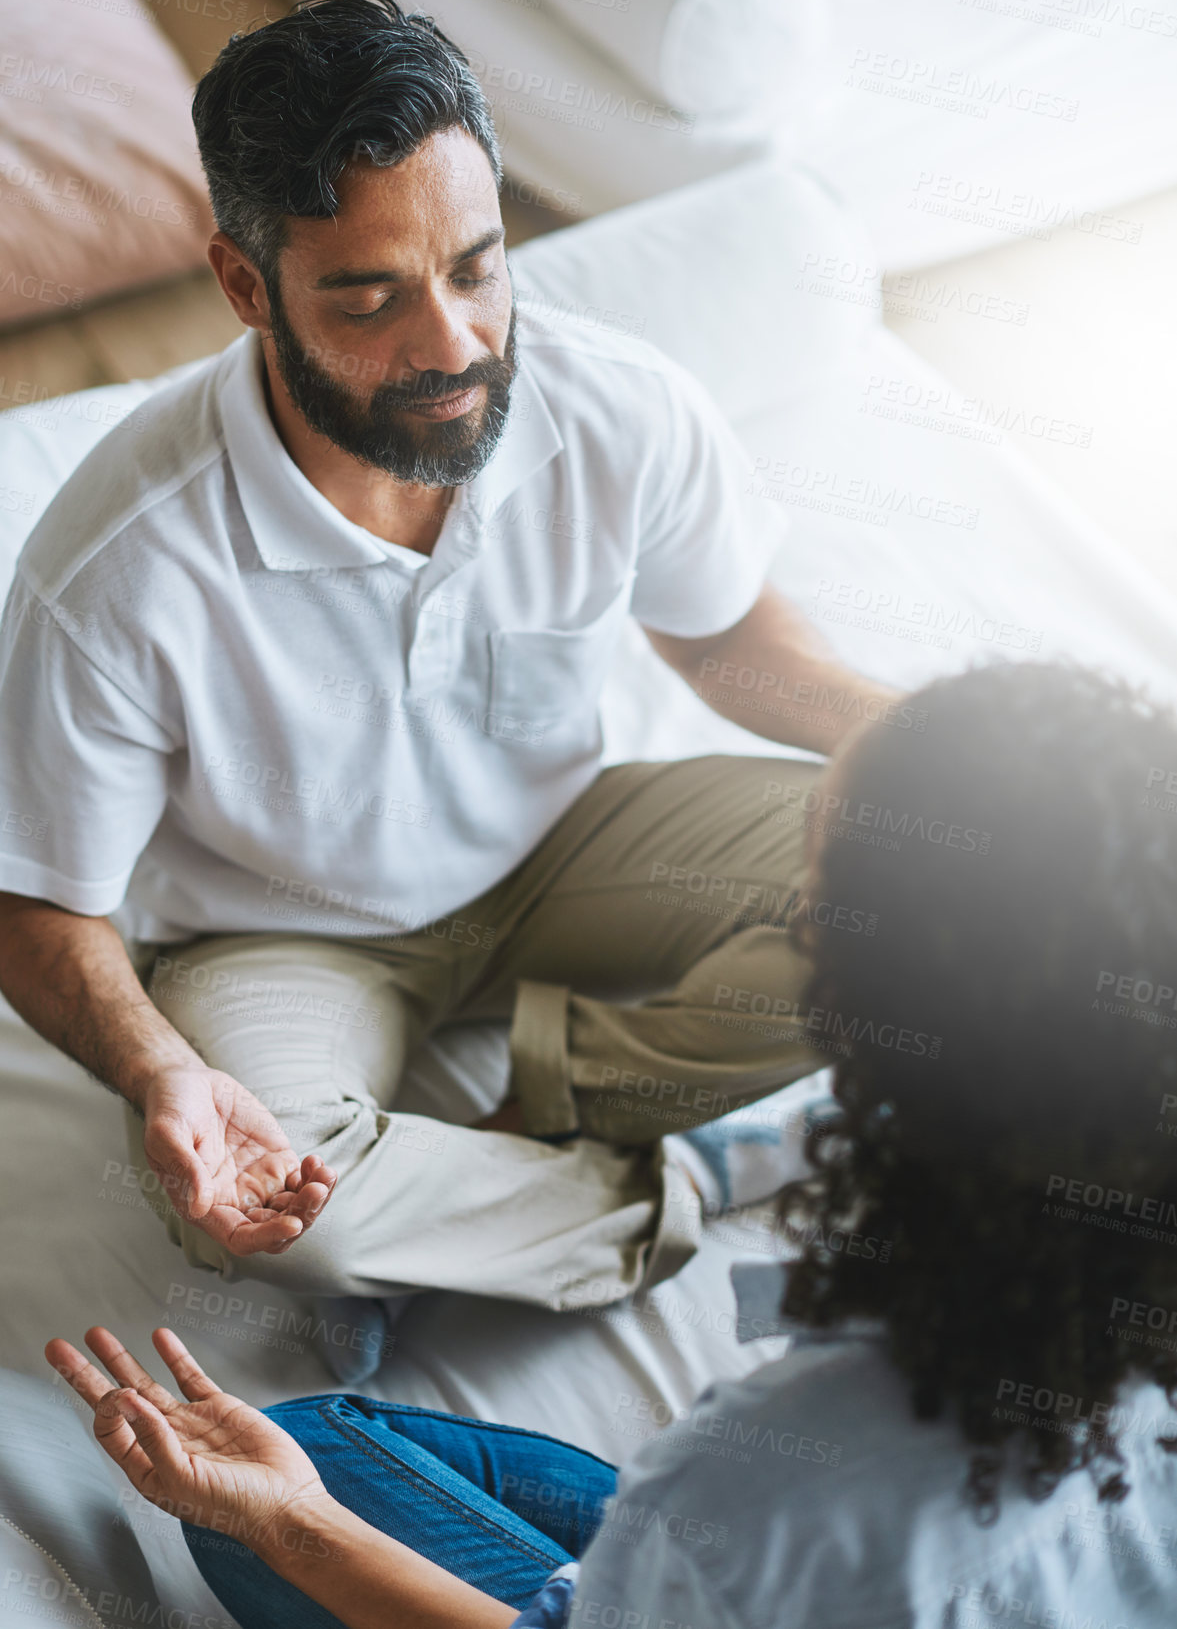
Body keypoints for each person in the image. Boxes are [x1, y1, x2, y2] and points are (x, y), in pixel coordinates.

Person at [0, 0, 901, 1358]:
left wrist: (947, 745)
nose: (453, 346)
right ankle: (684, 1180)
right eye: (370, 298)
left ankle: (533, 1125)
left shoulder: (619, 408)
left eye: (477, 268)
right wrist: (164, 1071)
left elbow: (732, 642)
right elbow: (37, 901)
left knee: (941, 872)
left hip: (566, 846)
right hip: (281, 937)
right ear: (247, 288)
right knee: (274, 1206)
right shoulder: (116, 571)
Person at [46, 660, 1177, 1627]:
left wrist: (286, 1525)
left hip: (785, 1556)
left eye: (818, 911)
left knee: (301, 1468)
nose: (796, 922)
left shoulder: (775, 1477)